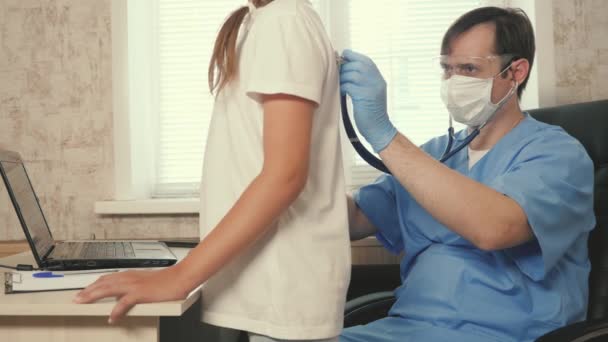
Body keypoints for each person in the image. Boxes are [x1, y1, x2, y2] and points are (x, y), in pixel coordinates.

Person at [74, 1, 350, 341]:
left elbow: (285, 177)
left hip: (283, 293)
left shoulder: (286, 22)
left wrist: (181, 276)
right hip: (268, 294)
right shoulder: (262, 22)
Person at [339, 6, 594, 342]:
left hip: (506, 335)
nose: (453, 82)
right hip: (404, 330)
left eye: (468, 69)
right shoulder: (434, 155)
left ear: (515, 72)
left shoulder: (559, 154)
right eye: (447, 69)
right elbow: (355, 220)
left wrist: (385, 136)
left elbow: (494, 228)